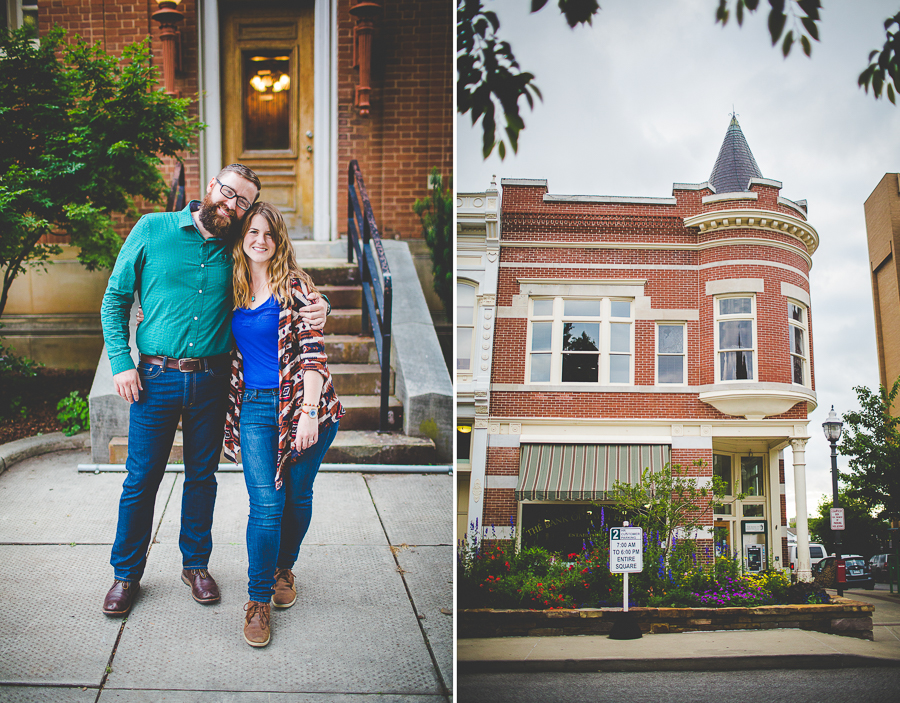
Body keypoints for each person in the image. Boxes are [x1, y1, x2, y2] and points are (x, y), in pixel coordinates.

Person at [100, 165, 328, 616]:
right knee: (141, 478)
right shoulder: (152, 228)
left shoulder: (240, 247)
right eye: (228, 193)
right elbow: (114, 299)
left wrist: (321, 305)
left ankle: (196, 565)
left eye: (242, 201)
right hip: (154, 377)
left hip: (213, 380)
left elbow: (282, 284)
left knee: (202, 478)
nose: (232, 204)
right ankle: (126, 574)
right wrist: (121, 362)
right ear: (211, 186)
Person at [223, 202, 344, 647]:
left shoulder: (295, 287)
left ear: (279, 241)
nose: (259, 240)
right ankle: (257, 603)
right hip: (254, 408)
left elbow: (313, 353)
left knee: (298, 497)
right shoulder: (229, 282)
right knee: (267, 505)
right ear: (242, 237)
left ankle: (283, 568)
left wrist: (309, 413)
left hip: (303, 404)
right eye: (252, 231)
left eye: (268, 234)